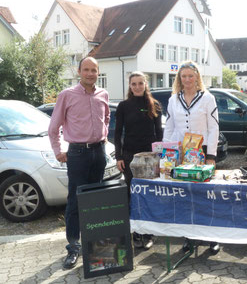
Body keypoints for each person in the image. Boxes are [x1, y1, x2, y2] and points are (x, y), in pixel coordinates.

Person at [48, 57, 110, 269]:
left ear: (98, 72)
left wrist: (104, 136)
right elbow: (53, 127)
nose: (90, 74)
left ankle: (94, 245)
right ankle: (73, 247)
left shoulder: (103, 94)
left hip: (98, 153)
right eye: (86, 70)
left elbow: (107, 118)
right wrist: (58, 151)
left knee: (95, 201)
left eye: (94, 70)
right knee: (75, 201)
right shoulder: (67, 95)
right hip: (77, 154)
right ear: (79, 71)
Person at [163, 60, 220, 254]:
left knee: (205, 194)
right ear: (179, 78)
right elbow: (169, 127)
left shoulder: (207, 98)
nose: (187, 79)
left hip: (201, 153)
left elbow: (214, 128)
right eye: (183, 76)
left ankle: (212, 237)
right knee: (185, 196)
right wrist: (166, 153)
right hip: (180, 154)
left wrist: (211, 155)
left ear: (197, 77)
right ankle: (189, 237)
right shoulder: (173, 99)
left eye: (190, 76)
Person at [114, 71, 163, 250]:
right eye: (133, 84)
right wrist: (119, 156)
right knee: (132, 195)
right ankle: (136, 233)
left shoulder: (154, 105)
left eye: (140, 83)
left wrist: (160, 156)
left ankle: (149, 233)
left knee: (148, 196)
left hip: (150, 159)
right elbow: (118, 133)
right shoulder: (123, 106)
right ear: (130, 85)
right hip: (129, 158)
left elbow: (159, 134)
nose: (137, 87)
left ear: (145, 84)